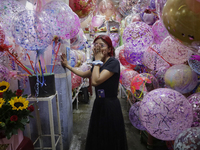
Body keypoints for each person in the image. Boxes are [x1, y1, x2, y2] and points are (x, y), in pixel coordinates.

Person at [61, 35, 128, 150]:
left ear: (109, 49)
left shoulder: (113, 62)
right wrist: (68, 66)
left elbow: (96, 81)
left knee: (110, 136)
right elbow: (85, 74)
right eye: (96, 44)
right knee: (99, 135)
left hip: (110, 105)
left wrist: (96, 61)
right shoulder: (98, 63)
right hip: (99, 103)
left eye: (101, 45)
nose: (97, 47)